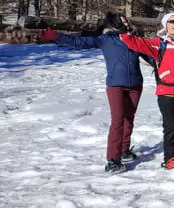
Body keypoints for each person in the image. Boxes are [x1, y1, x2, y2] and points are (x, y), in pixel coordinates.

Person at [39, 12, 143, 174]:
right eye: (123, 21)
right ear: (114, 24)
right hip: (116, 86)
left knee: (129, 119)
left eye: (127, 21)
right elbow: (79, 41)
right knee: (118, 121)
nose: (127, 23)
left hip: (136, 84)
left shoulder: (135, 39)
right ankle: (113, 160)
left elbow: (151, 55)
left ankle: (124, 151)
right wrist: (56, 36)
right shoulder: (106, 40)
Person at [120, 12, 174, 168]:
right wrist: (124, 29)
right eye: (171, 22)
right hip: (167, 92)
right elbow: (133, 42)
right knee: (171, 127)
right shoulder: (158, 43)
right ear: (165, 25)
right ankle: (171, 158)